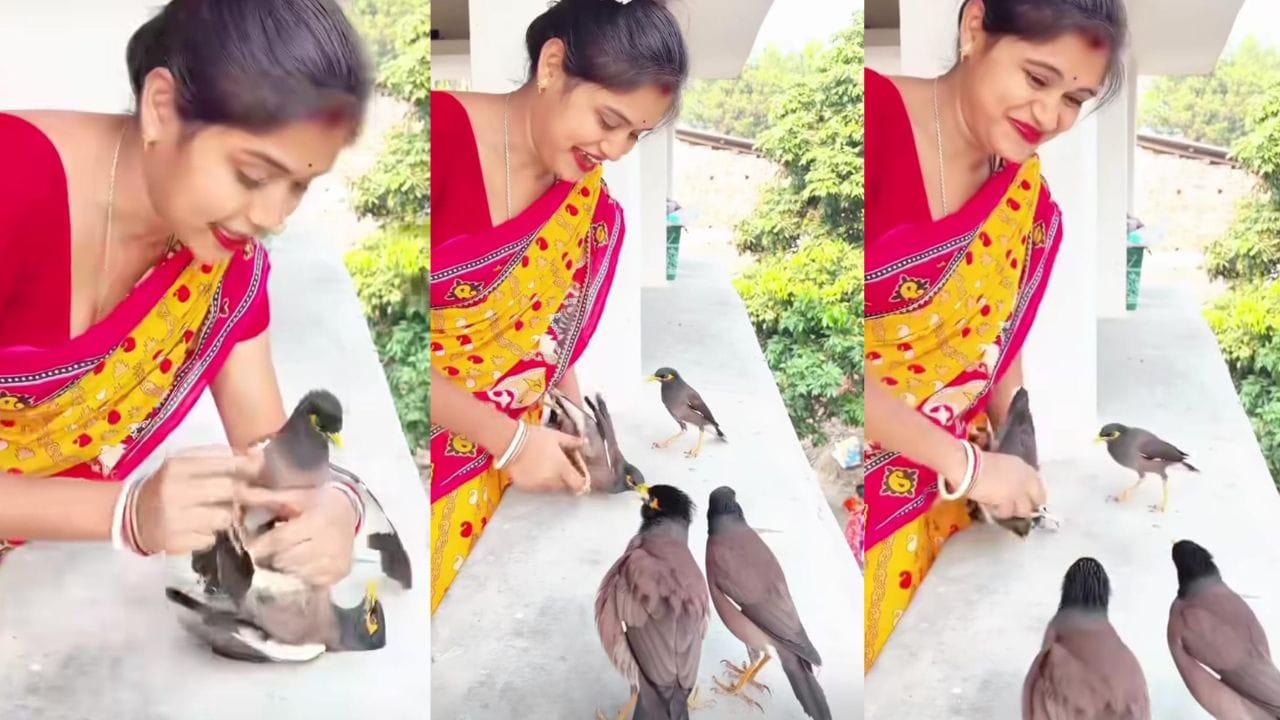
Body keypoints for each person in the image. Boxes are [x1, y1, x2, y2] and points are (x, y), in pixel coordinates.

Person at [0, 0, 373, 586]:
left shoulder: (221, 265)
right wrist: (126, 514)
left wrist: (335, 508)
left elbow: (270, 456)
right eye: (253, 176)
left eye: (299, 186)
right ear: (161, 107)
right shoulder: (12, 180)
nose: (272, 215)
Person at [861, 0, 1129, 670]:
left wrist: (1016, 433)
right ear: (975, 27)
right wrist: (972, 468)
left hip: (958, 505)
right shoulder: (869, 120)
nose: (1050, 115)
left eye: (1074, 99)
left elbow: (994, 331)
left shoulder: (1021, 196)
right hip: (869, 501)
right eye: (1037, 78)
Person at [429, 0, 688, 613]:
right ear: (552, 65)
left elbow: (547, 332)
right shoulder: (436, 138)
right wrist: (511, 442)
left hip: (512, 470)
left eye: (636, 135)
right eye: (609, 120)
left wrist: (575, 426)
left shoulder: (585, 203)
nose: (617, 150)